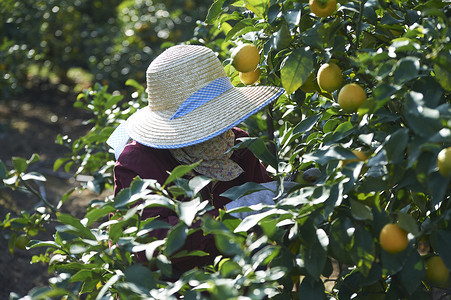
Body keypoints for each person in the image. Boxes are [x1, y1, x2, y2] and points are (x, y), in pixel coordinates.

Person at [107, 44, 284, 277]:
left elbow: (263, 199)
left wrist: (286, 197)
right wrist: (225, 217)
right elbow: (149, 246)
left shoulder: (237, 142)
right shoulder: (139, 162)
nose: (219, 131)